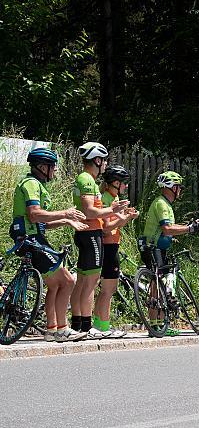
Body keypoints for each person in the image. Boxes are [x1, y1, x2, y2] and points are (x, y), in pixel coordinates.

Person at [9, 148, 89, 342]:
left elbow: (40, 222)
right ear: (42, 167)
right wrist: (65, 213)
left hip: (34, 236)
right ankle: (62, 329)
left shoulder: (36, 184)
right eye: (53, 167)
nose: (55, 171)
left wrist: (66, 221)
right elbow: (34, 214)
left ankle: (52, 329)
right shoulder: (31, 184)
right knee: (68, 281)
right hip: (31, 239)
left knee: (54, 286)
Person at [70, 142, 130, 339]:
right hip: (91, 232)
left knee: (84, 280)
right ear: (97, 160)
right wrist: (115, 210)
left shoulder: (87, 179)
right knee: (91, 281)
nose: (104, 165)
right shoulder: (87, 179)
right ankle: (87, 327)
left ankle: (78, 324)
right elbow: (90, 211)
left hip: (88, 232)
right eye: (103, 161)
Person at [139, 171, 199, 336]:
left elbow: (168, 230)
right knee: (157, 284)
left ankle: (158, 323)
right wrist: (191, 229)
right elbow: (167, 228)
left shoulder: (165, 204)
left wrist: (186, 227)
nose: (180, 190)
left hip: (158, 247)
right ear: (171, 187)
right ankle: (156, 324)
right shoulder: (161, 203)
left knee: (158, 285)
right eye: (178, 187)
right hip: (153, 247)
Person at [93, 165, 139, 338]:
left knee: (107, 289)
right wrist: (127, 217)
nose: (126, 187)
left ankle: (99, 324)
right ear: (115, 183)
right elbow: (106, 227)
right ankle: (103, 327)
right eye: (124, 183)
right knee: (109, 289)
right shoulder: (106, 198)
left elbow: (116, 221)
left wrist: (126, 214)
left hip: (112, 244)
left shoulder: (113, 196)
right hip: (108, 245)